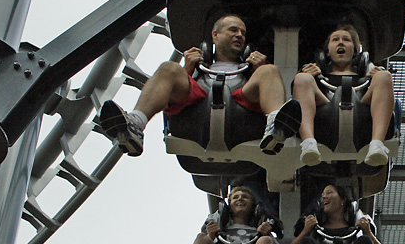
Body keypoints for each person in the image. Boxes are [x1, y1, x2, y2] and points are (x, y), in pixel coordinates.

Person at [98, 9, 300, 156]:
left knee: (269, 70)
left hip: (241, 105)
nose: (239, 35)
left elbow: (259, 85)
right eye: (233, 30)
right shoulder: (198, 67)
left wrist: (258, 69)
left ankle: (276, 125)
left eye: (243, 33)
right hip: (198, 106)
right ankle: (135, 124)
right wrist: (187, 69)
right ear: (215, 35)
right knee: (168, 68)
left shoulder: (249, 69)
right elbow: (181, 90)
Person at [291, 22, 395, 167]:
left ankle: (377, 144)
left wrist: (375, 77)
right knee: (302, 79)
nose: (341, 42)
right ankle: (308, 142)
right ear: (327, 51)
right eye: (335, 39)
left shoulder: (366, 77)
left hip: (360, 113)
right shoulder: (317, 76)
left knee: (384, 76)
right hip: (326, 113)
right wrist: (307, 74)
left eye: (346, 39)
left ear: (354, 50)